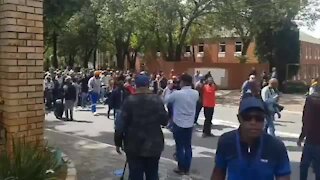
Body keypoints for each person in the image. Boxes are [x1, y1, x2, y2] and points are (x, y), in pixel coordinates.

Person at [211, 97, 291, 180]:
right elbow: (218, 172)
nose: (253, 122)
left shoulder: (276, 146)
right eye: (247, 117)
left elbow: (283, 176)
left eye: (259, 118)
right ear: (239, 119)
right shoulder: (226, 141)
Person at [114, 74, 169, 180]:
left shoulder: (129, 101)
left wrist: (118, 142)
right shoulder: (157, 100)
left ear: (136, 85)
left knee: (135, 175)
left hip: (133, 145)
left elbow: (120, 125)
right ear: (148, 85)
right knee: (152, 174)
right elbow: (165, 121)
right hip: (154, 144)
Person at [165, 74, 199, 175]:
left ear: (183, 82)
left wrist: (168, 89)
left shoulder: (177, 94)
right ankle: (187, 167)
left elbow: (166, 100)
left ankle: (181, 167)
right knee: (188, 146)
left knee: (179, 146)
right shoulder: (195, 93)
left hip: (178, 123)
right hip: (189, 123)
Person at [297, 85, 320, 180]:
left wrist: (301, 137)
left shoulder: (309, 102)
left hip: (310, 141)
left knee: (304, 166)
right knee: (318, 168)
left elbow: (306, 121)